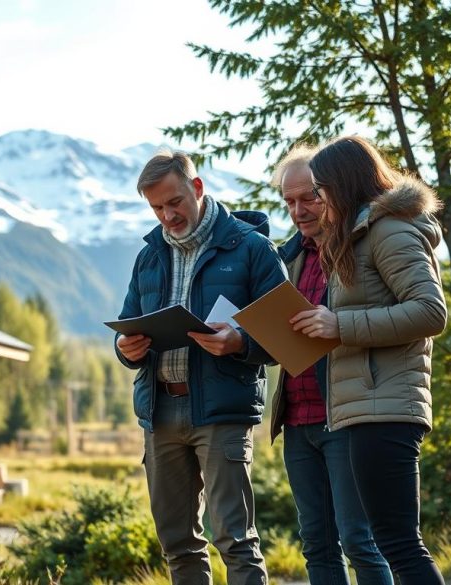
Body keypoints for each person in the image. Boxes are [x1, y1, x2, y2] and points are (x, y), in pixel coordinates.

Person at [115, 149, 287, 585]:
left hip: (221, 413)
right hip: (160, 413)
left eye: (174, 202)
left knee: (235, 540)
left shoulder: (252, 249)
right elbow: (128, 322)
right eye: (156, 207)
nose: (167, 216)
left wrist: (239, 341)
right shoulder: (149, 256)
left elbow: (288, 333)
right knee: (177, 544)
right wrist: (125, 347)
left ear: (197, 188)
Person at [291, 135, 447, 584]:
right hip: (366, 407)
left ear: (343, 184)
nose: (316, 201)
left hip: (387, 404)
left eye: (319, 190)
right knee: (393, 540)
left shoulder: (389, 231)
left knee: (398, 544)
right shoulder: (360, 234)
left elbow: (430, 311)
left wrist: (340, 326)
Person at [268, 145, 393, 584]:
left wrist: (337, 324)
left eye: (309, 198)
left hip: (346, 414)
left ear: (331, 191)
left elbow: (402, 316)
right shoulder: (288, 258)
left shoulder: (360, 245)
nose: (298, 210)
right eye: (289, 201)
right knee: (316, 544)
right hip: (298, 417)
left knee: (360, 541)